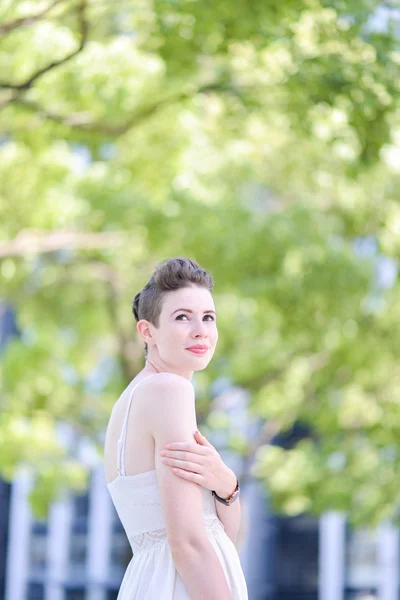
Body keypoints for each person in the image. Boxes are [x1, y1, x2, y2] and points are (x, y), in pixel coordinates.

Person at [104, 257, 248, 599]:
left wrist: (226, 484)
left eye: (208, 317)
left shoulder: (137, 395)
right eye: (182, 317)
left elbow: (221, 535)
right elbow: (187, 542)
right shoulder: (169, 389)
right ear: (147, 330)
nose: (200, 329)